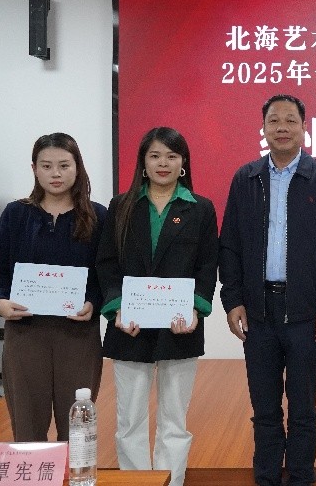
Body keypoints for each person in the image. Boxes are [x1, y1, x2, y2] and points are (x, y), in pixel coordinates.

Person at [219, 94, 316, 486]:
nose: (282, 127)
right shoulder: (246, 178)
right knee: (264, 409)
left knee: (303, 410)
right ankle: (266, 478)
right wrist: (232, 299)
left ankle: (301, 478)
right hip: (258, 312)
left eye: (290, 120)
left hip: (306, 313)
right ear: (263, 128)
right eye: (274, 120)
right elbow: (230, 245)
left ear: (304, 128)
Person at [97, 127, 219, 486]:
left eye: (171, 156)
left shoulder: (200, 209)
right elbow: (107, 263)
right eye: (155, 156)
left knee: (174, 420)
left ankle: (171, 481)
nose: (163, 163)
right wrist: (117, 309)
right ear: (143, 162)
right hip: (129, 326)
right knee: (129, 420)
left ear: (183, 163)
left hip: (180, 326)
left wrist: (195, 309)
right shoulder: (121, 206)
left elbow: (207, 265)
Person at [0, 133, 107, 441]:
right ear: (34, 169)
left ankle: (75, 469)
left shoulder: (97, 215)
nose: (56, 173)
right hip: (25, 333)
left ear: (77, 167)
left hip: (78, 335)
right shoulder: (16, 214)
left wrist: (93, 302)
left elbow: (105, 275)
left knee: (77, 431)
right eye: (47, 166)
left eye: (64, 165)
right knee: (27, 428)